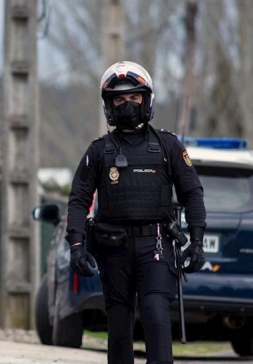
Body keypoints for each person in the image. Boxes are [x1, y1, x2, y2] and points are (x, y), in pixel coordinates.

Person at [66, 61, 207, 364]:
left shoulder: (168, 145)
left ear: (147, 100)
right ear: (109, 106)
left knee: (156, 313)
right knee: (118, 323)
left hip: (155, 245)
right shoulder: (98, 151)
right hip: (113, 249)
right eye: (119, 99)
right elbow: (78, 200)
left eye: (134, 98)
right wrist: (76, 246)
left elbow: (192, 193)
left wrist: (197, 241)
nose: (127, 105)